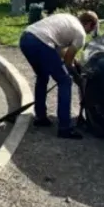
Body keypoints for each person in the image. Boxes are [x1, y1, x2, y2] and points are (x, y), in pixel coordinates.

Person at [18, 10, 98, 139]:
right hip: (41, 43)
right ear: (89, 24)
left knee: (43, 76)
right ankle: (65, 128)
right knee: (65, 81)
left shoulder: (68, 19)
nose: (90, 31)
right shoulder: (81, 34)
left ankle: (41, 117)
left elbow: (59, 50)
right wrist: (76, 77)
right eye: (93, 28)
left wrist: (74, 63)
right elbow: (67, 61)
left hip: (26, 39)